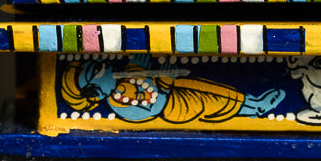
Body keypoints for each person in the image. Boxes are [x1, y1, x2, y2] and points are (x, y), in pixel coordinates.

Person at [61, 56, 284, 124]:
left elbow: (142, 70)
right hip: (176, 108)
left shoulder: (123, 76)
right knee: (214, 101)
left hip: (176, 91)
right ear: (96, 93)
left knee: (215, 90)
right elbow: (152, 107)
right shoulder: (118, 101)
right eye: (97, 70)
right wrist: (164, 82)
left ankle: (253, 104)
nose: (104, 65)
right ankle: (254, 108)